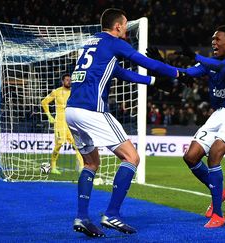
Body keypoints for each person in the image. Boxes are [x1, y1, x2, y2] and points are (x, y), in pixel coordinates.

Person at [65, 8, 180, 237]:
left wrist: (154, 81)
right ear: (118, 26)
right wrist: (179, 73)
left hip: (71, 111)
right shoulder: (114, 42)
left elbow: (121, 73)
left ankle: (82, 217)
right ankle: (112, 213)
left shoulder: (92, 43)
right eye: (125, 24)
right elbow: (145, 62)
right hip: (92, 110)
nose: (127, 28)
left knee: (91, 164)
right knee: (132, 157)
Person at [173, 25, 225, 228]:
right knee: (190, 156)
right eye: (213, 39)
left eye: (218, 39)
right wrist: (159, 65)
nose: (214, 42)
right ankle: (220, 192)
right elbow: (188, 73)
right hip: (218, 114)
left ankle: (218, 215)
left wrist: (195, 55)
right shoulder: (210, 62)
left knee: (215, 154)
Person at [41, 74, 84, 174]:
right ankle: (53, 165)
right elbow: (44, 102)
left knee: (77, 144)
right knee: (59, 143)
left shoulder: (75, 92)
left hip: (72, 122)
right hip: (60, 122)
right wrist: (49, 116)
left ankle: (81, 167)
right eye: (67, 80)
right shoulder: (56, 92)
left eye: (70, 80)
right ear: (62, 81)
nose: (69, 82)